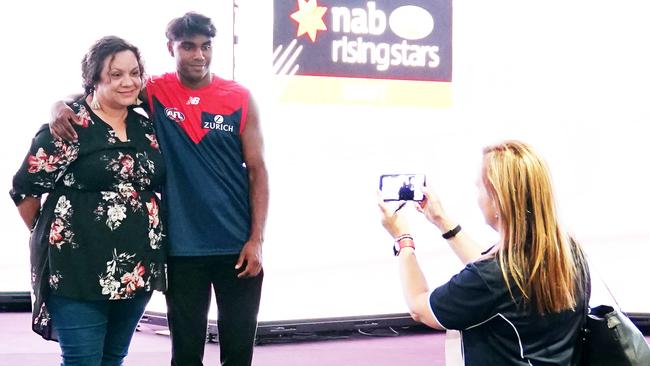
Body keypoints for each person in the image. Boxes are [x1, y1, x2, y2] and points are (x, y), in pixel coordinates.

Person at [50, 12, 268, 366]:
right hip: (181, 249)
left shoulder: (240, 98)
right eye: (188, 47)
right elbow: (100, 95)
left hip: (237, 245)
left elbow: (258, 171)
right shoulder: (155, 91)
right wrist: (58, 106)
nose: (199, 55)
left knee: (239, 352)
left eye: (206, 47)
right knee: (185, 354)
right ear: (172, 48)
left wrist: (256, 238)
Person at [10, 36, 167, 365]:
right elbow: (25, 188)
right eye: (116, 74)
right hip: (76, 270)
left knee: (113, 359)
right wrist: (52, 233)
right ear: (94, 79)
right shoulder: (69, 126)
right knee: (82, 360)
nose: (128, 82)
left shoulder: (147, 127)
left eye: (135, 73)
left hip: (136, 271)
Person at [378, 140, 590, 365]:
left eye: (479, 188)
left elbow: (420, 308)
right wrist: (442, 222)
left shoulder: (494, 276)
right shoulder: (568, 250)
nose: (477, 197)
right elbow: (501, 282)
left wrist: (403, 240)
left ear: (498, 200)